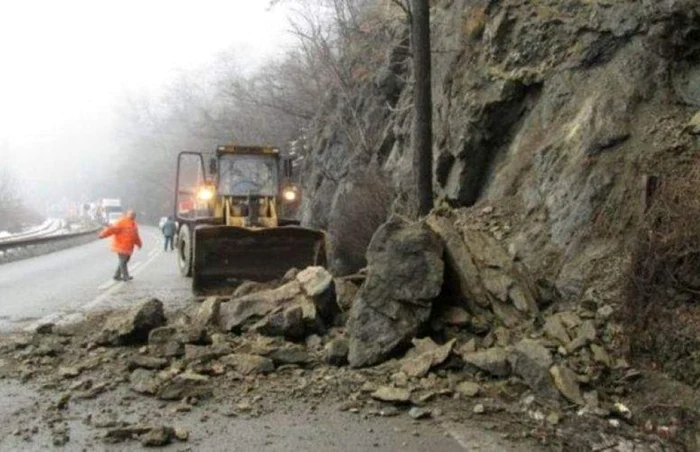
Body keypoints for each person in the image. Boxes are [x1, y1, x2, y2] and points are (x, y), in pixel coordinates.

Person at [98, 209, 142, 281]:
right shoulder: (121, 222)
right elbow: (112, 229)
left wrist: (139, 243)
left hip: (129, 247)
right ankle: (125, 276)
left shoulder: (134, 224)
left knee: (125, 260)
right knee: (123, 261)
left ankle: (117, 275)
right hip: (121, 246)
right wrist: (102, 235)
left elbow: (136, 236)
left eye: (134, 214)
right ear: (127, 214)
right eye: (131, 214)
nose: (133, 215)